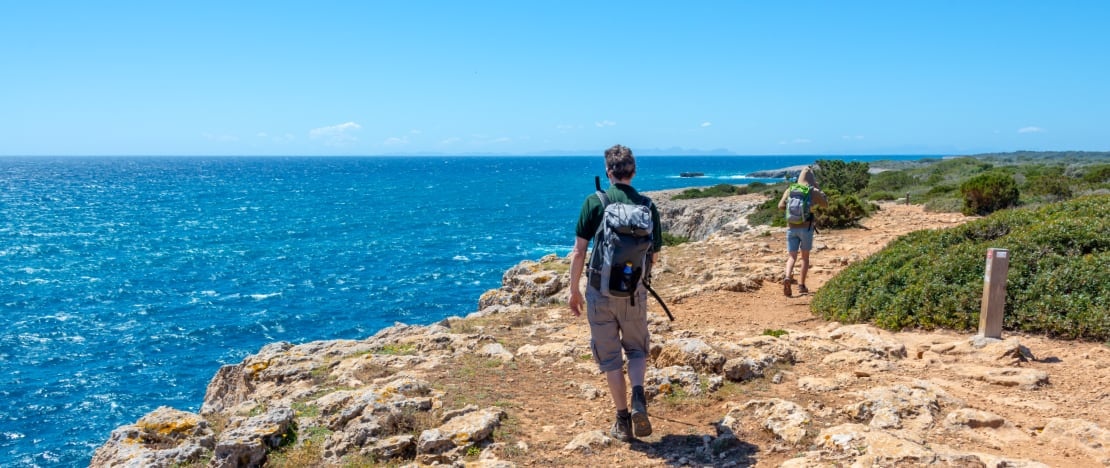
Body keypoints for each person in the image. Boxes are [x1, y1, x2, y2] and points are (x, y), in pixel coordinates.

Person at [568, 144, 663, 442]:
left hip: (600, 292)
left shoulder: (594, 202)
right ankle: (638, 395)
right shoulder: (647, 206)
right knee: (637, 349)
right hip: (633, 293)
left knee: (610, 359)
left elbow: (579, 251)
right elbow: (654, 256)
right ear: (633, 171)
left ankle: (622, 420)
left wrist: (574, 291)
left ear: (608, 172)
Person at [777, 166, 828, 297]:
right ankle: (801, 285)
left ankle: (787, 277)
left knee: (792, 256)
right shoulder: (812, 191)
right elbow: (825, 204)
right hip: (806, 228)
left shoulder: (790, 189)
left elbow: (780, 206)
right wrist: (818, 190)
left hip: (791, 227)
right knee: (804, 258)